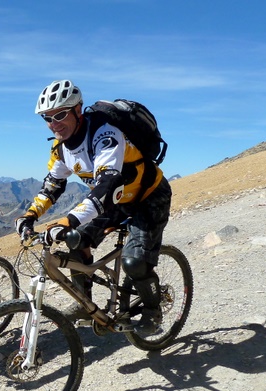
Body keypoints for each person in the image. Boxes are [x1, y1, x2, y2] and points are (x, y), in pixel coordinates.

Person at [15, 80, 172, 335]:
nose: (54, 123)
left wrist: (68, 220)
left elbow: (106, 186)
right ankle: (85, 304)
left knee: (135, 263)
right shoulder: (61, 149)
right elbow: (52, 186)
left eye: (60, 115)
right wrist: (30, 215)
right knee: (76, 242)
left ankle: (154, 311)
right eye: (47, 118)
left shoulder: (105, 134)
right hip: (116, 202)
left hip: (148, 196)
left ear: (78, 110)